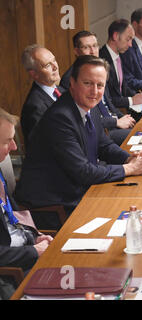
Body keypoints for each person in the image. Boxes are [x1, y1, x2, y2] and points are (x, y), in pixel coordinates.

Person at [14, 55, 142, 230]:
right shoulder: (60, 118)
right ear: (72, 83)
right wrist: (130, 169)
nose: (94, 91)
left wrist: (131, 158)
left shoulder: (88, 106)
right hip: (54, 206)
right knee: (129, 220)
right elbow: (83, 172)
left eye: (100, 85)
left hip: (79, 190)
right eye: (88, 83)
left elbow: (105, 145)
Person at [0, 108, 52, 300]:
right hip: (11, 272)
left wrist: (33, 237)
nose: (14, 147)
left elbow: (12, 218)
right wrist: (32, 252)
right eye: (7, 141)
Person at [60, 30, 136, 146]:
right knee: (138, 135)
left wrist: (124, 118)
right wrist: (116, 122)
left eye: (95, 46)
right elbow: (83, 117)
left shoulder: (99, 69)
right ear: (76, 51)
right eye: (86, 47)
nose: (92, 51)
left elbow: (109, 103)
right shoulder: (70, 79)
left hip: (113, 124)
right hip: (99, 132)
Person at [99, 19, 142, 116]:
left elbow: (123, 87)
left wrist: (137, 96)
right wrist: (131, 100)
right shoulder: (102, 61)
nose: (130, 45)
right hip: (117, 114)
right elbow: (108, 100)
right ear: (115, 36)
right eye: (128, 39)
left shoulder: (119, 55)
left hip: (127, 109)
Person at [21, 45, 64, 148]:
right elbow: (42, 146)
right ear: (34, 74)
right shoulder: (34, 106)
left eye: (54, 60)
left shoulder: (63, 91)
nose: (55, 67)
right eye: (48, 65)